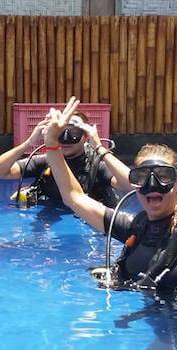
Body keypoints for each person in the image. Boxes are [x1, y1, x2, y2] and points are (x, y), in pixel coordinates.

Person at [42, 96, 177, 291]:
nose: (152, 185)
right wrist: (51, 143)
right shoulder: (136, 228)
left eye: (164, 176)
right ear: (135, 185)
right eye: (141, 178)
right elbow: (74, 197)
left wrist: (99, 148)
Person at [0, 109, 122, 207]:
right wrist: (28, 143)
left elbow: (127, 185)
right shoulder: (46, 161)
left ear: (86, 136)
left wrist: (99, 147)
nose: (65, 138)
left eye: (74, 132)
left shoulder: (96, 164)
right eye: (61, 132)